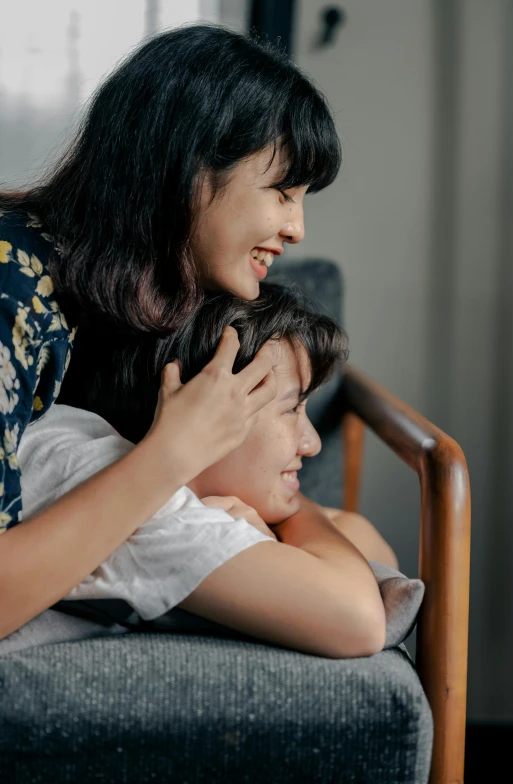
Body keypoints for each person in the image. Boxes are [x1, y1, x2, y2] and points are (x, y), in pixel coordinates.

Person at [0, 23, 342, 640]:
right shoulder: (12, 286)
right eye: (282, 192)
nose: (297, 228)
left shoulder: (135, 297)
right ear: (189, 172)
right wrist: (169, 458)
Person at [10, 282, 397, 659]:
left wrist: (286, 519)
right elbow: (360, 619)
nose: (311, 443)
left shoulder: (86, 441)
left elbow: (370, 543)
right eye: (292, 408)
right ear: (205, 408)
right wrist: (295, 519)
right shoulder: (152, 514)